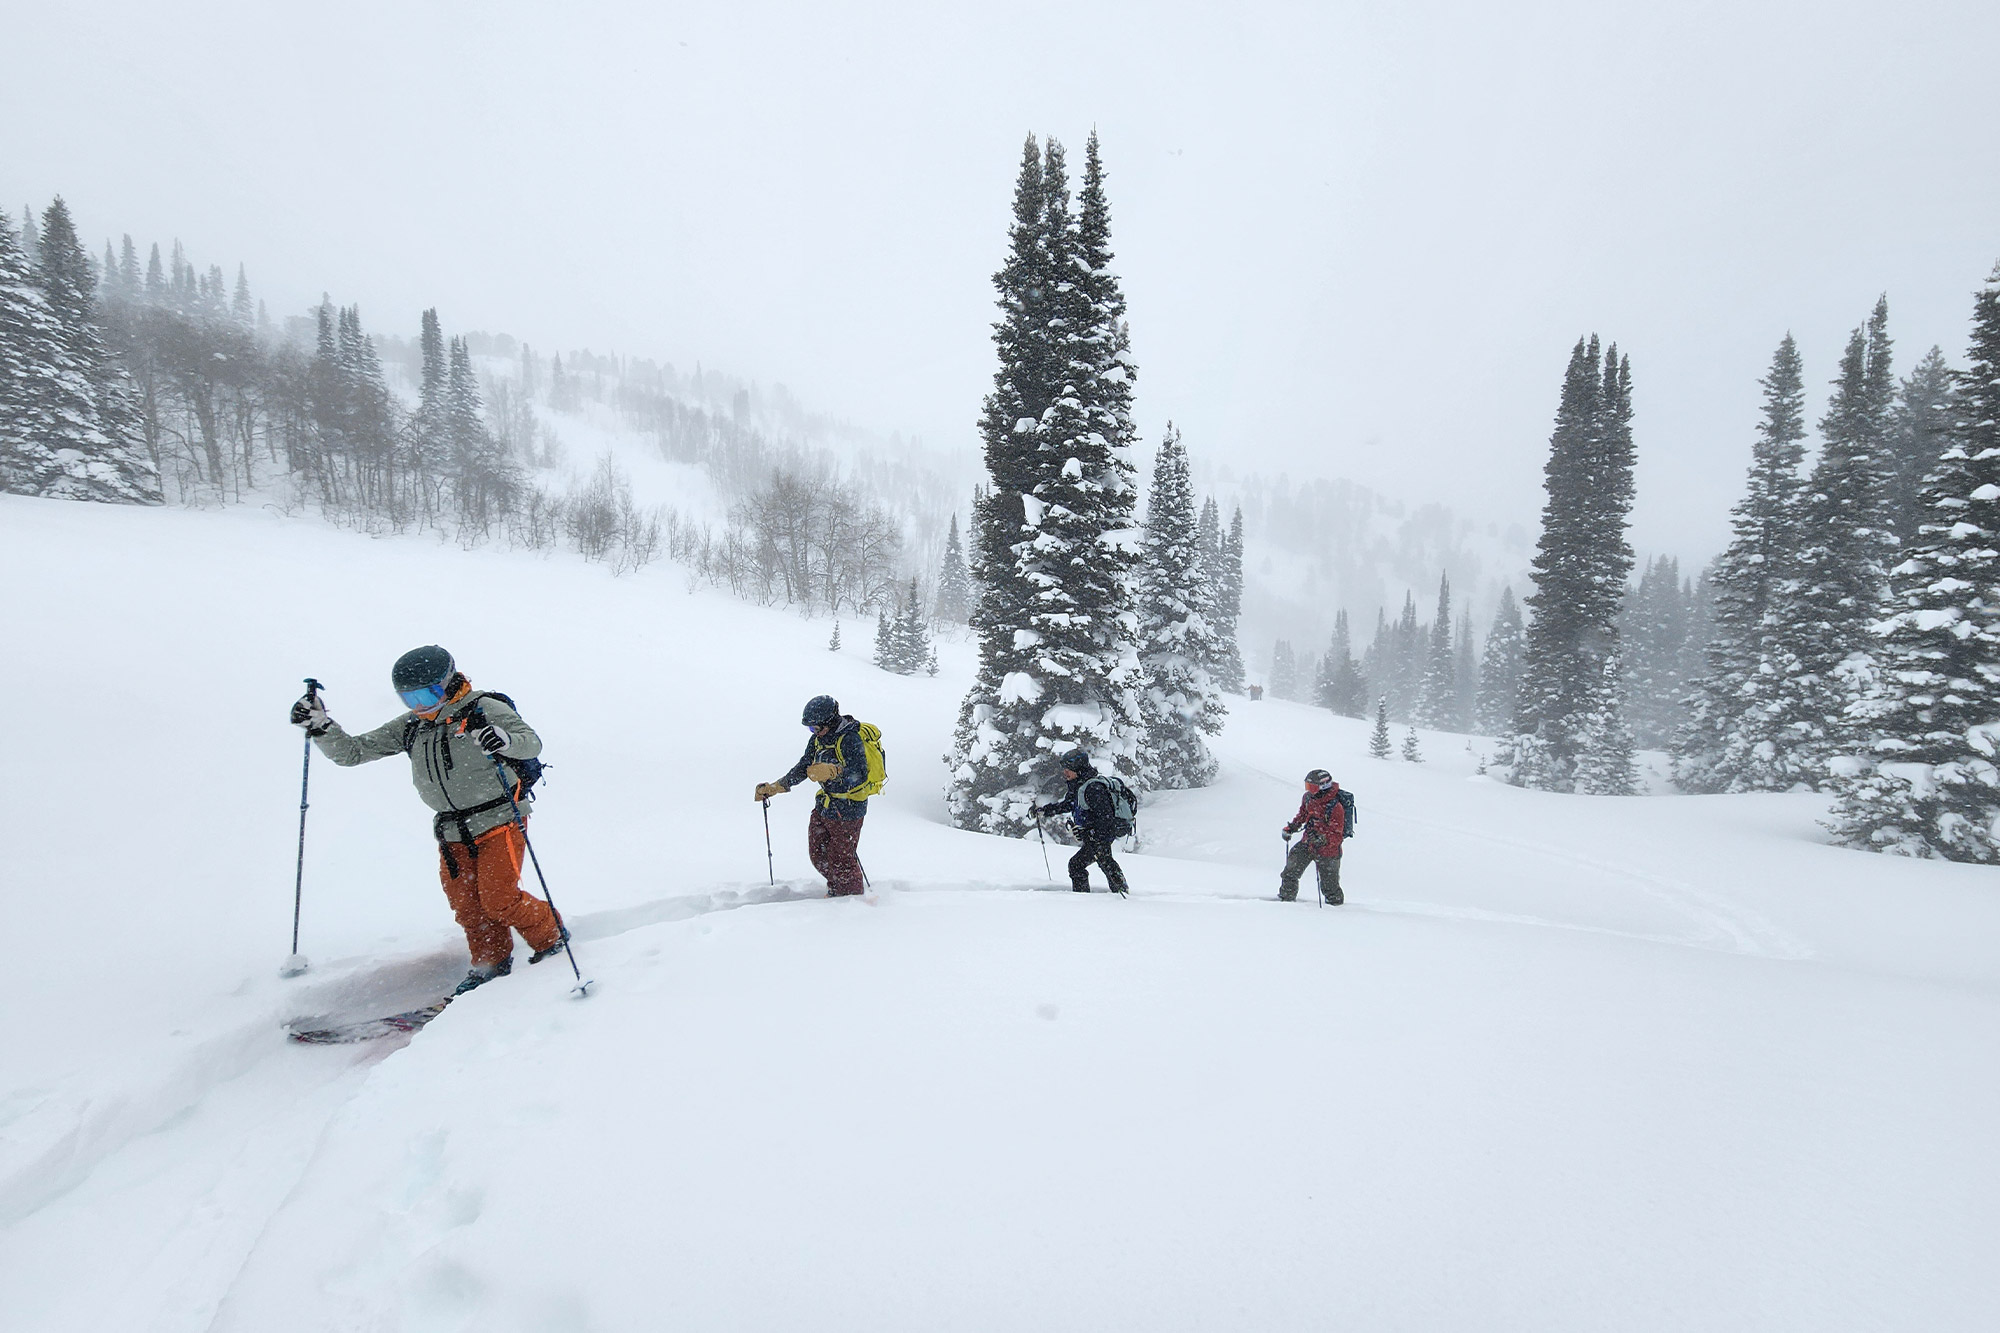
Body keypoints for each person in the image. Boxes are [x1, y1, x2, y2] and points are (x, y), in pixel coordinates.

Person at [289, 645, 567, 995]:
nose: (420, 706)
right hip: (452, 830)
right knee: (467, 904)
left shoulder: (483, 708)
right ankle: (490, 961)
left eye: (427, 694)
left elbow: (531, 743)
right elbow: (353, 752)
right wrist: (322, 727)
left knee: (500, 899)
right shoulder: (412, 726)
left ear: (448, 683)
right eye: (410, 699)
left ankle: (551, 936)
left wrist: (504, 739)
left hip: (499, 818)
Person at [754, 695, 877, 897]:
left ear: (829, 721)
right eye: (810, 729)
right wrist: (776, 787)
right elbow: (804, 767)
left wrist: (835, 772)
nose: (814, 733)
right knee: (818, 854)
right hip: (825, 805)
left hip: (848, 810)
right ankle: (839, 888)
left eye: (815, 728)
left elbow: (860, 775)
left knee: (842, 860)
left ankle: (851, 899)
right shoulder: (817, 740)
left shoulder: (849, 738)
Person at [1035, 749, 1131, 895]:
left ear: (1079, 769)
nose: (1065, 772)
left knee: (1079, 864)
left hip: (1100, 836)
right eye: (1064, 769)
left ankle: (1096, 896)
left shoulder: (1093, 788)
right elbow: (1068, 804)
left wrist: (1090, 832)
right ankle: (1119, 891)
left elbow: (1106, 818)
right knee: (1102, 861)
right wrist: (1045, 811)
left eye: (1069, 769)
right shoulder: (1079, 785)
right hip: (1094, 835)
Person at [1279, 768, 1345, 904]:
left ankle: (1337, 910)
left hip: (1328, 851)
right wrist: (1292, 827)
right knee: (1290, 872)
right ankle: (1286, 900)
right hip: (1308, 843)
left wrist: (1323, 838)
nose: (1309, 789)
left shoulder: (1335, 806)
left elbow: (1338, 834)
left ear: (1323, 786)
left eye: (1312, 786)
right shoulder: (1308, 797)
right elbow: (1303, 814)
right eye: (1308, 786)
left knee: (1330, 887)